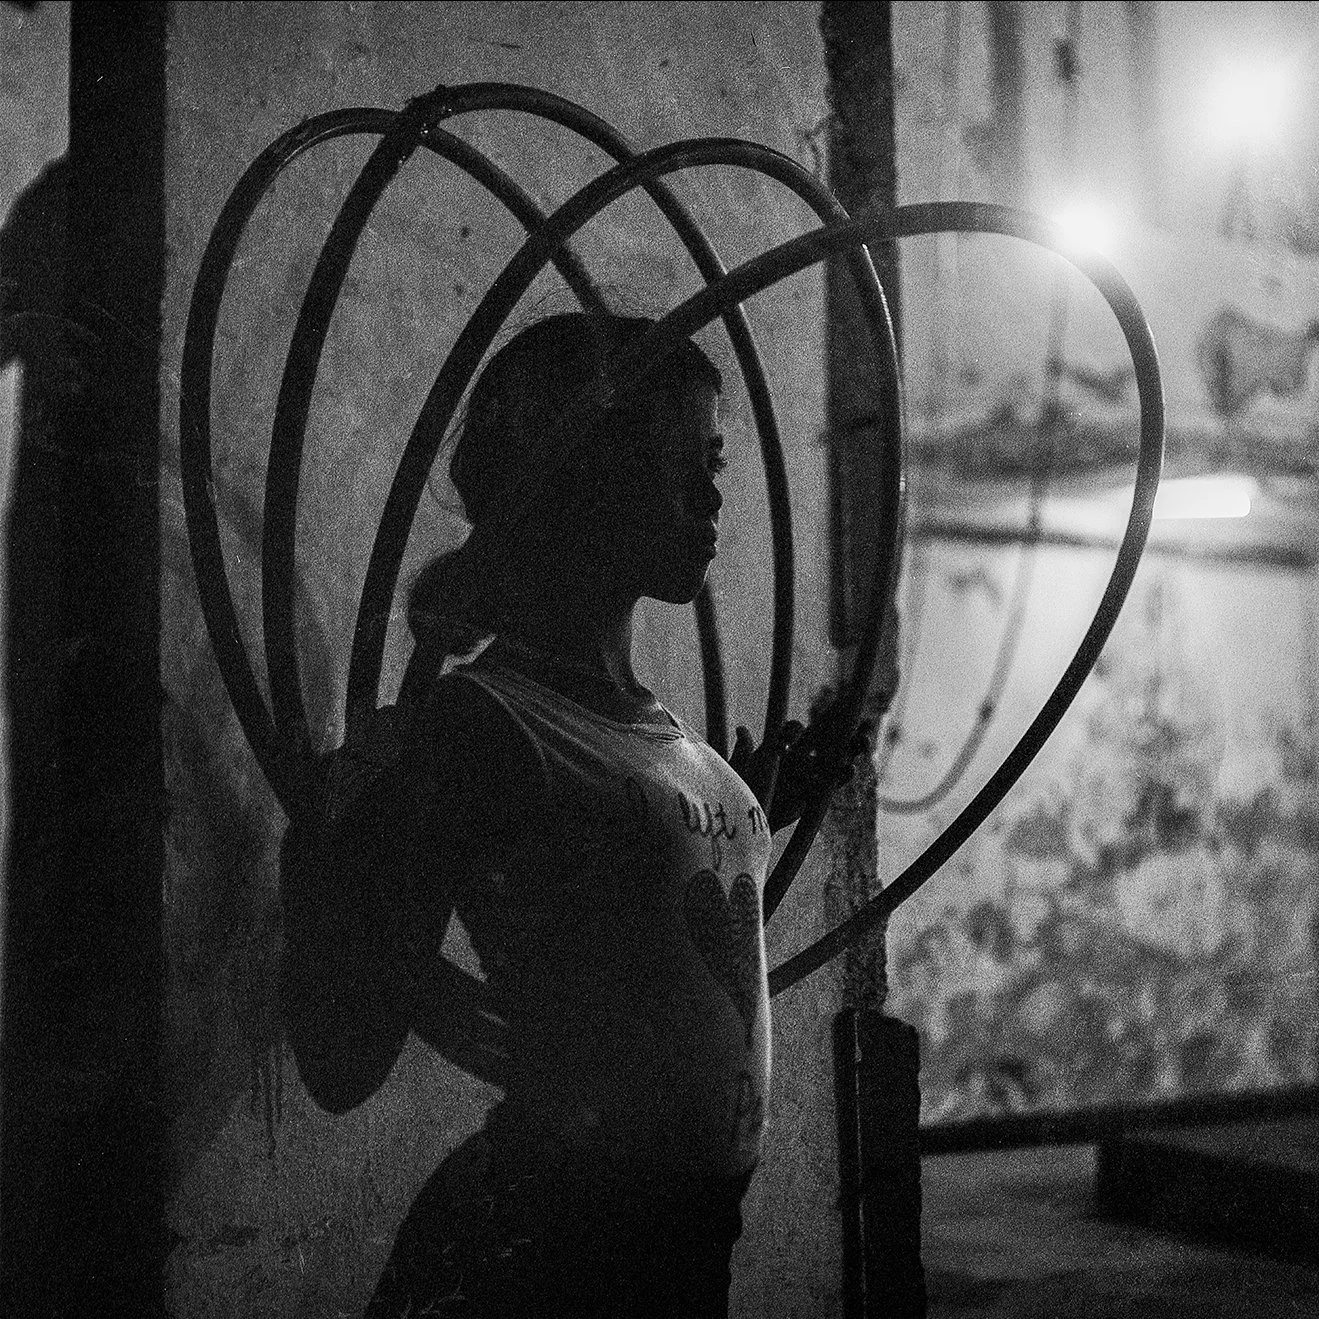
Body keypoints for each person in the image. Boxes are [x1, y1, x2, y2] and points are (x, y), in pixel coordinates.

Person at [282, 312, 856, 1317]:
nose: (711, 495)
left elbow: (628, 909)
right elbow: (343, 1060)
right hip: (548, 1251)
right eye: (680, 461)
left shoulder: (671, 741)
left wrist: (746, 809)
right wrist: (327, 858)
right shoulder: (480, 723)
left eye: (715, 461)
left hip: (680, 1254)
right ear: (584, 472)